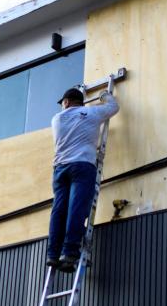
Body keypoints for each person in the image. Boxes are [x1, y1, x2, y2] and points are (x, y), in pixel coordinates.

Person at [48, 85, 119, 272]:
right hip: (82, 166)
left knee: (59, 210)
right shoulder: (92, 114)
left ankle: (52, 254)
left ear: (66, 102)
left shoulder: (57, 119)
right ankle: (70, 252)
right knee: (76, 208)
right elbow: (113, 107)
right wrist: (104, 95)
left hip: (60, 169)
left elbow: (72, 116)